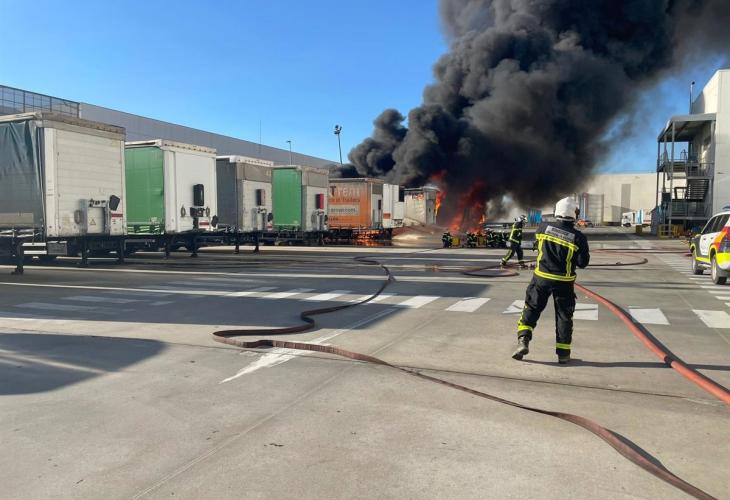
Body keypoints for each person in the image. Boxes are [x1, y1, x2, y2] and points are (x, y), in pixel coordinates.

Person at [512, 198, 590, 364]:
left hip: (541, 278)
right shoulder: (579, 238)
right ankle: (563, 354)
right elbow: (583, 263)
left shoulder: (542, 228)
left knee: (531, 308)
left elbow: (537, 245)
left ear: (557, 212)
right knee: (564, 316)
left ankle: (523, 340)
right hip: (564, 282)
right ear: (574, 214)